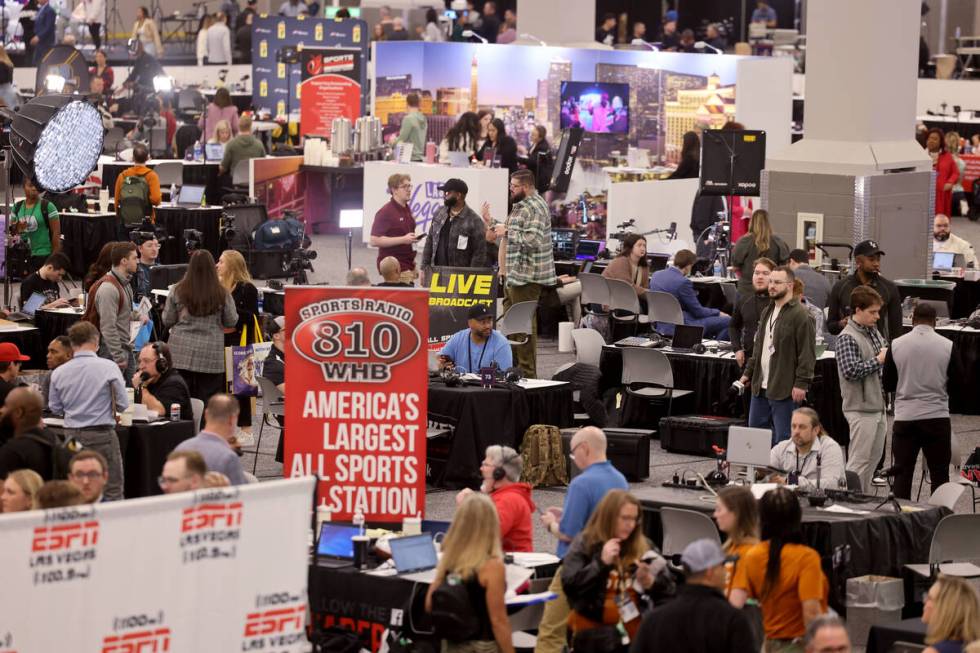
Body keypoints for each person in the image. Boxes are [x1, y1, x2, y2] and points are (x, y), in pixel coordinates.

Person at [536, 427, 629, 653]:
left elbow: (568, 533)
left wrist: (550, 523)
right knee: (588, 632)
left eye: (572, 453)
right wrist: (566, 511)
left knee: (551, 633)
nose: (573, 459)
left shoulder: (581, 483)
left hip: (574, 566)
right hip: (605, 568)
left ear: (584, 448)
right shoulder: (620, 480)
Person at [562, 490, 672, 652]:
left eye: (634, 519)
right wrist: (600, 563)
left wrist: (651, 582)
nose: (631, 524)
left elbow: (669, 592)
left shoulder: (644, 546)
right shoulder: (586, 543)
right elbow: (570, 587)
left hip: (634, 634)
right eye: (625, 518)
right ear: (609, 517)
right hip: (592, 635)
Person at [730, 487, 829, 649]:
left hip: (769, 644)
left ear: (761, 520)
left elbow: (734, 605)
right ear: (798, 517)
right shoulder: (806, 558)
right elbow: (811, 612)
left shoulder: (753, 556)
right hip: (801, 644)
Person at [883, 302, 960, 499]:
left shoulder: (896, 344)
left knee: (902, 473)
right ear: (935, 322)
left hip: (905, 418)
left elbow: (888, 383)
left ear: (912, 320)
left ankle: (900, 522)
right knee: (939, 474)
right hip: (937, 416)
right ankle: (938, 520)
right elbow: (959, 381)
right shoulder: (948, 345)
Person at [425, 493, 515, 653]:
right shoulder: (491, 567)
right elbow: (498, 621)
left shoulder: (449, 560)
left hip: (451, 644)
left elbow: (429, 604)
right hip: (481, 646)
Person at [631, 538, 757, 653]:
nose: (726, 572)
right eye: (722, 566)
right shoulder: (733, 621)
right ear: (710, 572)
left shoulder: (654, 620)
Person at [49, 321, 128, 501]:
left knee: (73, 487)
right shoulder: (108, 367)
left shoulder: (59, 373)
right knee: (112, 489)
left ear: (72, 343)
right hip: (102, 436)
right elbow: (123, 404)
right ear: (96, 341)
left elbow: (55, 408)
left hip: (71, 438)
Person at [739, 266, 816, 445]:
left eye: (777, 282)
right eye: (771, 281)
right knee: (756, 434)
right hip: (760, 386)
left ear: (789, 285)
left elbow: (807, 353)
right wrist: (748, 373)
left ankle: (781, 473)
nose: (771, 286)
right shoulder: (768, 311)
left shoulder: (801, 315)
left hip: (785, 387)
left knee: (784, 438)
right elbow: (759, 347)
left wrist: (801, 383)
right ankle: (759, 472)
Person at [491, 169, 555, 378]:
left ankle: (528, 375)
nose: (511, 189)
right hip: (514, 275)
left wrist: (506, 231)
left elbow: (533, 240)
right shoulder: (520, 207)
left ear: (526, 187)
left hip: (527, 277)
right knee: (512, 326)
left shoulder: (535, 207)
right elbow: (509, 230)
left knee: (523, 326)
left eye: (514, 186)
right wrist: (491, 221)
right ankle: (515, 370)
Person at [164, 250, 238, 403]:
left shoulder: (177, 290)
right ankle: (206, 427)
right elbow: (231, 321)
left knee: (180, 401)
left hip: (180, 354)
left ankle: (184, 427)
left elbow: (167, 319)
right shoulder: (222, 293)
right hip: (210, 357)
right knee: (208, 404)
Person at [835, 285, 888, 491]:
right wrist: (879, 360)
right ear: (857, 310)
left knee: (872, 461)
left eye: (878, 312)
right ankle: (850, 503)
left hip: (878, 405)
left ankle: (863, 501)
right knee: (857, 463)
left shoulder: (873, 331)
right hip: (860, 408)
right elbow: (850, 371)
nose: (877, 316)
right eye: (872, 312)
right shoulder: (847, 337)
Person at [455, 445, 534, 552]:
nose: (481, 468)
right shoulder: (505, 496)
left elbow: (483, 538)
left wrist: (468, 507)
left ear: (499, 473)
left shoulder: (508, 500)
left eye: (486, 465)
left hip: (509, 565)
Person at [826, 240, 902, 343]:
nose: (876, 264)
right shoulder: (841, 287)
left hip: (878, 349)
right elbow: (831, 327)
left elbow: (896, 330)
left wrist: (890, 355)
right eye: (871, 260)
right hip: (849, 346)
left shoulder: (889, 288)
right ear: (858, 262)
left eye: (878, 260)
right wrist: (842, 323)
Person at [217, 249, 258, 434]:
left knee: (241, 387)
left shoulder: (247, 288)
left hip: (239, 339)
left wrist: (230, 310)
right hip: (217, 339)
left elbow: (253, 317)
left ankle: (246, 429)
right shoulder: (215, 286)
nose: (217, 265)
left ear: (232, 265)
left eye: (221, 262)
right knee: (219, 384)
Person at [649, 249, 730, 338]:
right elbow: (698, 312)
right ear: (688, 266)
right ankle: (716, 348)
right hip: (682, 325)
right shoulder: (683, 282)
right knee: (729, 321)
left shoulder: (656, 275)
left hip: (660, 325)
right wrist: (718, 312)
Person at [85, 241, 138, 378]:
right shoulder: (109, 289)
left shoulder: (125, 283)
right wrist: (118, 356)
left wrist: (136, 316)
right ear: (124, 261)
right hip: (112, 351)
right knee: (112, 395)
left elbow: (122, 313)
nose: (137, 261)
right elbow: (108, 327)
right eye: (134, 258)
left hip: (125, 347)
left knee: (129, 393)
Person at [174, 394, 247, 485]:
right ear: (232, 420)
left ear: (206, 414)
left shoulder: (181, 449)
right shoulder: (228, 458)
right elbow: (242, 495)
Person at [420, 178, 488, 273]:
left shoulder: (474, 220)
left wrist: (472, 276)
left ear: (458, 195)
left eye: (447, 193)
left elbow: (479, 253)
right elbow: (430, 240)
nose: (444, 195)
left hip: (460, 278)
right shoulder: (439, 213)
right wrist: (424, 268)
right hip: (436, 273)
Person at [769, 407, 846, 489]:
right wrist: (760, 474)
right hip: (791, 500)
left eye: (802, 427)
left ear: (816, 430)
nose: (796, 431)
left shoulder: (830, 447)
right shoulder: (781, 448)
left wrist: (793, 481)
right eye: (793, 426)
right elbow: (766, 471)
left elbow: (832, 484)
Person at [370, 174, 419, 284]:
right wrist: (403, 239)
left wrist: (413, 264)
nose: (408, 190)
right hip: (394, 267)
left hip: (407, 263)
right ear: (394, 190)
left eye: (409, 186)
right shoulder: (385, 212)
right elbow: (374, 240)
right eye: (404, 187)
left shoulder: (406, 209)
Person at [0, 388, 59, 479]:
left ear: (18, 412)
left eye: (6, 406)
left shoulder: (11, 452)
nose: (2, 410)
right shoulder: (52, 438)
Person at [438, 304, 513, 373]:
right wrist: (441, 364)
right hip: (461, 386)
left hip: (489, 387)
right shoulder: (458, 338)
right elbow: (439, 359)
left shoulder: (501, 343)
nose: (488, 326)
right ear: (470, 323)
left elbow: (505, 377)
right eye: (483, 322)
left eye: (489, 321)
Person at [712, 486, 759, 595]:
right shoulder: (732, 547)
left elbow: (735, 604)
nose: (715, 514)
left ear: (736, 513)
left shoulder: (747, 554)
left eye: (719, 509)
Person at [731, 210, 790, 297]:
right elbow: (785, 268)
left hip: (746, 292)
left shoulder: (743, 242)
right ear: (768, 223)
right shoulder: (779, 242)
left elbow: (735, 266)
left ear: (752, 222)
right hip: (771, 292)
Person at [730, 258, 775, 368]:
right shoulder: (744, 300)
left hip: (773, 363)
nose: (760, 277)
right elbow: (733, 326)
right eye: (756, 273)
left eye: (765, 273)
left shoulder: (779, 302)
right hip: (749, 362)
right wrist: (737, 349)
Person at [132, 342, 193, 422]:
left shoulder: (174, 384)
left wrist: (142, 388)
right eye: (140, 361)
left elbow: (158, 411)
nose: (141, 366)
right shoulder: (147, 380)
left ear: (161, 364)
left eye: (146, 361)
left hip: (173, 432)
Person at [11, 179, 61, 271]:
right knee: (27, 284)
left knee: (45, 285)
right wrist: (17, 227)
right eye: (30, 185)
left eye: (36, 185)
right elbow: (11, 232)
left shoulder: (48, 206)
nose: (34, 188)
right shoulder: (17, 207)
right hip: (23, 255)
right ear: (24, 187)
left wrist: (54, 258)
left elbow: (56, 233)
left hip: (44, 255)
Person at [922, 575, 980, 653]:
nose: (925, 601)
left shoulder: (933, 651)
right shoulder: (974, 647)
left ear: (945, 608)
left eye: (930, 598)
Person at [114, 143, 162, 224]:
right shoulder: (152, 176)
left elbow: (117, 201)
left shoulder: (123, 175)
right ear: (147, 158)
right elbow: (156, 200)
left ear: (133, 158)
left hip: (124, 223)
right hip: (145, 223)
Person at [602, 233, 650, 300]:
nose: (642, 248)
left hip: (627, 299)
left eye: (644, 246)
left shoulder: (644, 266)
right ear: (630, 248)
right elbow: (627, 286)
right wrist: (650, 294)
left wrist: (650, 295)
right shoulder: (621, 261)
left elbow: (645, 287)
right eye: (639, 245)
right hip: (607, 300)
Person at [926, 128, 959, 218]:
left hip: (942, 196)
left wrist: (950, 182)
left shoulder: (947, 156)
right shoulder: (922, 155)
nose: (931, 141)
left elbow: (955, 173)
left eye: (935, 139)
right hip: (925, 194)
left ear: (941, 142)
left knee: (940, 222)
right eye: (929, 138)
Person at [394, 92, 427, 163]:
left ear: (407, 103)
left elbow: (401, 139)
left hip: (409, 159)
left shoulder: (408, 119)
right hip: (420, 159)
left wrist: (392, 142)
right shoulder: (423, 119)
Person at [40, 336, 72, 402]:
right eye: (48, 351)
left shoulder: (82, 374)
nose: (48, 356)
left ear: (68, 355)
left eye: (53, 352)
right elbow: (46, 406)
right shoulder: (50, 375)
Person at [522, 125, 552, 193]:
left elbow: (532, 161)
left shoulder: (543, 147)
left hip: (540, 179)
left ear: (540, 137)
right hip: (534, 176)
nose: (531, 136)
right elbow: (531, 155)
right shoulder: (535, 143)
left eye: (534, 135)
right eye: (531, 134)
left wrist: (518, 158)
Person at [131, 232, 159, 302]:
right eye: (149, 246)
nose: (154, 249)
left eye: (156, 245)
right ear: (140, 248)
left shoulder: (163, 269)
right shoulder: (134, 269)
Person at [947, 132, 968, 217]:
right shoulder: (962, 162)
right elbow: (960, 180)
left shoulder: (943, 162)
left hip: (947, 196)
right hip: (960, 196)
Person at [31, 0, 56, 65]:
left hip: (46, 43)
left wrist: (38, 37)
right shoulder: (40, 10)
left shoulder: (50, 11)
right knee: (37, 63)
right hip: (39, 43)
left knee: (45, 64)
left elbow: (48, 27)